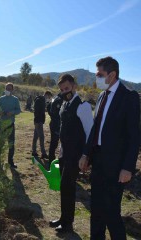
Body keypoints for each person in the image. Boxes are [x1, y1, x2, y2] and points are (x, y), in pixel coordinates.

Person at [79, 56, 140, 240]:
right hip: (97, 162)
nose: (96, 78)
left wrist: (128, 167)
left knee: (112, 212)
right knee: (96, 208)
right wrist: (85, 154)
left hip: (116, 166)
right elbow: (95, 128)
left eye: (99, 74)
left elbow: (134, 136)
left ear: (112, 75)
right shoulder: (101, 96)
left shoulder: (128, 97)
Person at [49, 74, 93, 233]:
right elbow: (64, 130)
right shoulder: (64, 105)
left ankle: (68, 223)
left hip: (76, 155)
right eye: (61, 89)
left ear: (74, 86)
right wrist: (60, 150)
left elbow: (90, 133)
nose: (64, 92)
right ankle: (63, 218)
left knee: (68, 186)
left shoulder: (83, 106)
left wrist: (86, 156)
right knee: (64, 187)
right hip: (64, 153)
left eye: (66, 88)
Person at [0, 82, 21, 168]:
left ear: (12, 90)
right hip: (1, 124)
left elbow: (18, 110)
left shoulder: (15, 99)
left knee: (11, 144)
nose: (7, 90)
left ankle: (10, 162)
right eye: (6, 88)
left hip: (10, 124)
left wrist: (12, 112)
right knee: (0, 143)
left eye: (9, 89)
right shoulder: (0, 99)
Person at [32, 91, 52, 159]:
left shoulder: (42, 100)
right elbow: (36, 111)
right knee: (41, 137)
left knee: (35, 137)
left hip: (39, 121)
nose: (48, 98)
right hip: (38, 121)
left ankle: (34, 151)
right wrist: (38, 120)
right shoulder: (39, 100)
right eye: (49, 97)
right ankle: (43, 153)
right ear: (46, 95)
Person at [46, 93, 63, 164]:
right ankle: (51, 160)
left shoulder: (55, 98)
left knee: (53, 142)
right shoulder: (59, 100)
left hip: (53, 123)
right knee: (55, 142)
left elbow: (48, 106)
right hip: (56, 124)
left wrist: (52, 116)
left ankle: (51, 158)